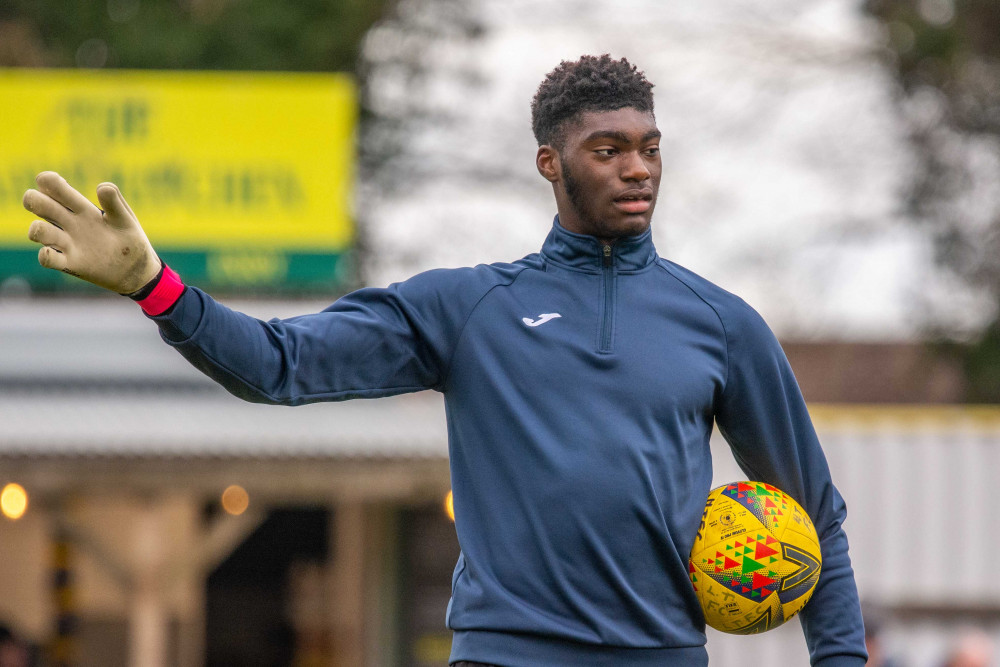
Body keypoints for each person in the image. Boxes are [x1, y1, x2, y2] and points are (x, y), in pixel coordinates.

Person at [22, 54, 868, 666]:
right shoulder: (469, 309)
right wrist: (155, 285)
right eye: (607, 150)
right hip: (506, 654)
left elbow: (813, 511)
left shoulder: (721, 324)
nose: (637, 168)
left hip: (665, 656)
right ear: (551, 163)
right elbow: (278, 363)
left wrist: (840, 660)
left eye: (649, 147)